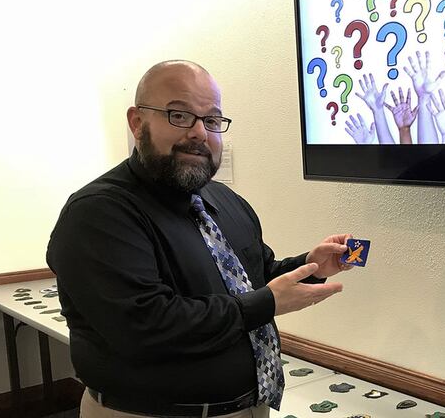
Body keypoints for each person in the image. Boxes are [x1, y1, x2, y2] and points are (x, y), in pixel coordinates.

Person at [46, 60, 352, 418]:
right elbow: (148, 326)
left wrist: (311, 265)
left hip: (252, 407)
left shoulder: (225, 200)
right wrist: (267, 303)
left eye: (211, 120)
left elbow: (254, 277)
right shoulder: (99, 213)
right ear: (137, 121)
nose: (198, 133)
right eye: (179, 115)